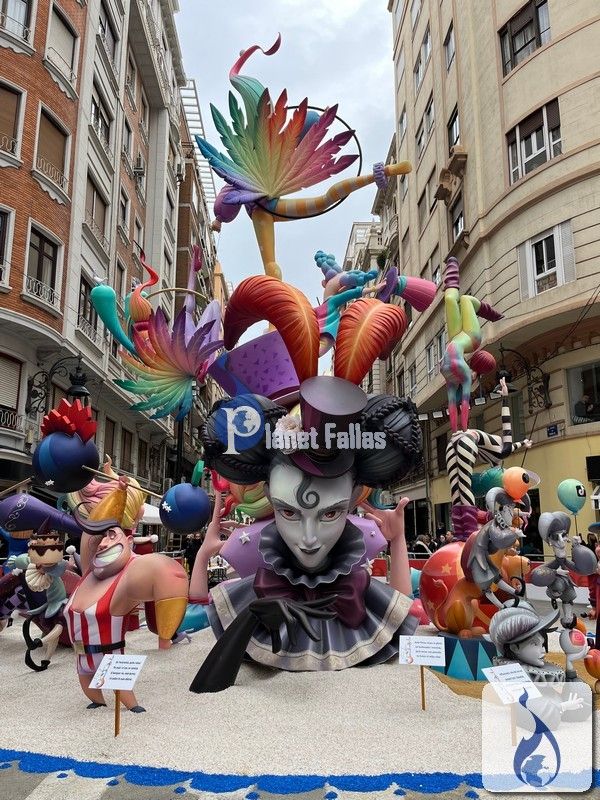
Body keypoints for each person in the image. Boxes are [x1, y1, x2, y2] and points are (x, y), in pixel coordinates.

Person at [189, 377, 422, 693]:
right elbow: (209, 681)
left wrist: (397, 541)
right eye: (289, 512)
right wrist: (251, 616)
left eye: (330, 513)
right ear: (269, 496)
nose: (309, 539)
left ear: (353, 498)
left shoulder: (360, 564)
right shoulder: (253, 572)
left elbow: (401, 608)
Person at [65, 478, 188, 711]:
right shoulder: (90, 571)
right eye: (102, 537)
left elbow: (165, 571)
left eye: (112, 536)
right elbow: (91, 534)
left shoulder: (126, 575)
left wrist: (164, 633)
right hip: (82, 661)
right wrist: (118, 494)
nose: (103, 543)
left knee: (127, 701)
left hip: (111, 660)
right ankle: (99, 702)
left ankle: (132, 708)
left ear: (129, 541)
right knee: (94, 697)